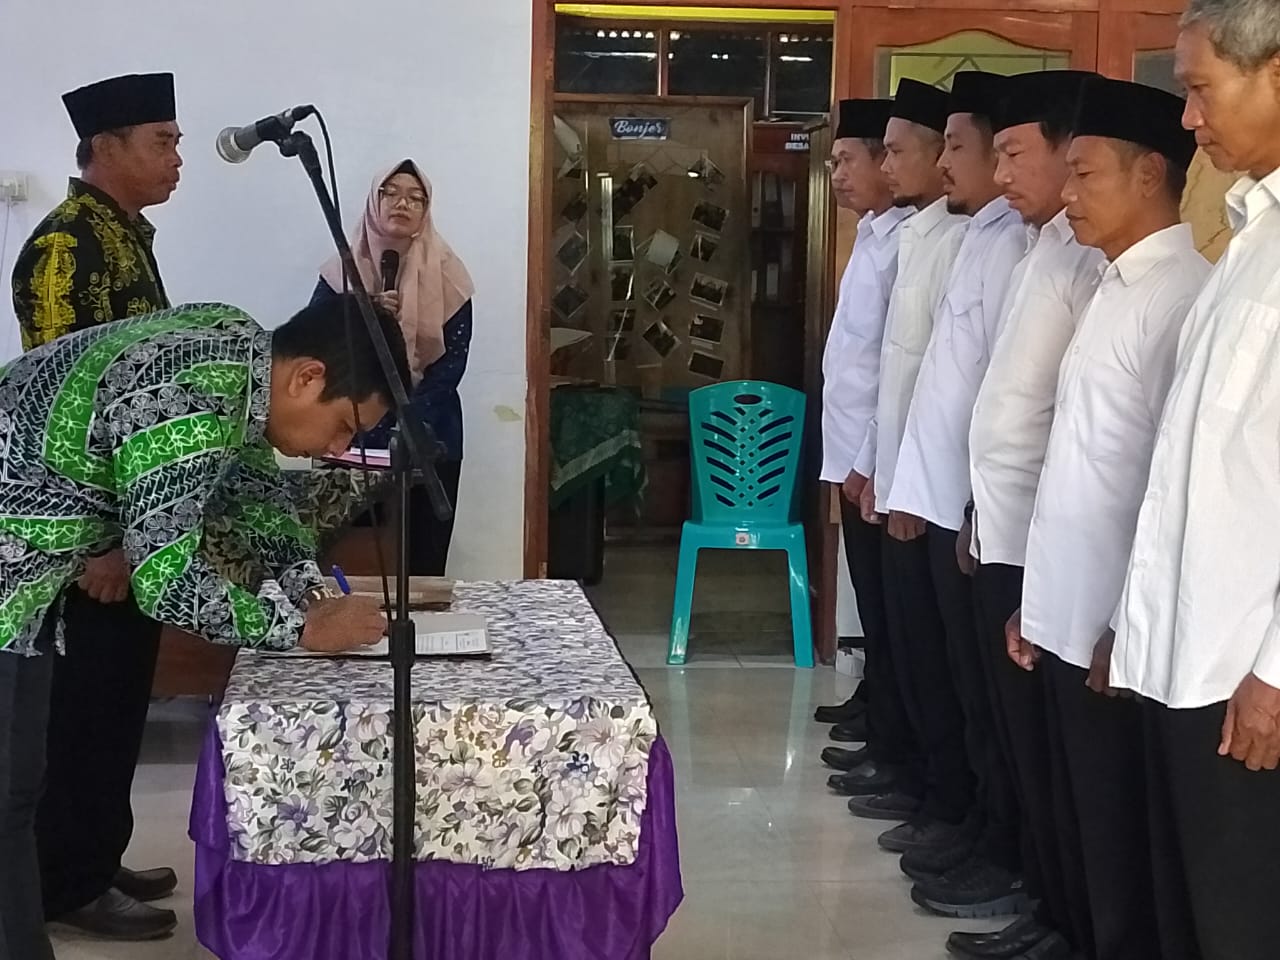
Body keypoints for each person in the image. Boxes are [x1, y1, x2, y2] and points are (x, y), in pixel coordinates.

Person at [0, 295, 402, 960]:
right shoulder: (193, 394)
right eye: (343, 427)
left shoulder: (237, 352)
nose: (339, 450)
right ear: (307, 377)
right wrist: (301, 631)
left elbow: (258, 499)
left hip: (28, 577)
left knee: (18, 789)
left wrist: (311, 596)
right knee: (7, 798)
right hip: (11, 568)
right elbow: (166, 582)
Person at [1018, 76, 1207, 960]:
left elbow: (1167, 487)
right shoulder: (1110, 284)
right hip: (1067, 603)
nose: (1068, 194)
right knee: (1071, 808)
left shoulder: (1177, 297)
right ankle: (1068, 932)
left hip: (1111, 625)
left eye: (1085, 174)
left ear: (1149, 175)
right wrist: (1038, 599)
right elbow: (1079, 454)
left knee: (1115, 822)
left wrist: (1122, 623)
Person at [1108, 3, 1280, 957]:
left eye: (1201, 89)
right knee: (1190, 915)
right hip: (1185, 657)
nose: (1189, 119)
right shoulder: (1250, 234)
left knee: (1240, 920)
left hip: (1244, 672)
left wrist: (1277, 674)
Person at [9, 72, 184, 941]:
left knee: (117, 707)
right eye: (163, 141)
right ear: (106, 147)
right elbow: (65, 411)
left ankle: (94, 852)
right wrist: (98, 546)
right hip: (88, 537)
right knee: (82, 713)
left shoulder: (123, 237)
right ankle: (66, 882)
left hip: (129, 525)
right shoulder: (65, 248)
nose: (178, 157)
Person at [950, 69, 1102, 960]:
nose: (1003, 174)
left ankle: (1041, 895)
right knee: (1004, 725)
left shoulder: (1093, 262)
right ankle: (1025, 880)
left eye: (1016, 154)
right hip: (1001, 524)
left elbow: (1076, 432)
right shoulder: (1036, 246)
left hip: (1049, 544)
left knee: (1046, 750)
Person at [885, 71, 1029, 922]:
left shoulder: (1014, 246)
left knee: (985, 693)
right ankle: (971, 819)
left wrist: (966, 504)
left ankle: (992, 837)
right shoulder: (979, 234)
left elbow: (998, 401)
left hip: (981, 510)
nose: (947, 163)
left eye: (959, 146)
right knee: (961, 680)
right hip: (948, 494)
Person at [846, 79, 969, 845]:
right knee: (904, 638)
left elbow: (943, 385)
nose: (887, 167)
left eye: (897, 152)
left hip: (940, 491)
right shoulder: (911, 234)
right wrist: (874, 464)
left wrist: (903, 482)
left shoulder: (962, 239)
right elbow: (890, 371)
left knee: (937, 657)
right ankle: (911, 770)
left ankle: (942, 796)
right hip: (897, 469)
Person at [815, 99, 921, 792]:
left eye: (848, 160)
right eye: (835, 162)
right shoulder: (872, 235)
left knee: (891, 604)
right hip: (852, 447)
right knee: (872, 594)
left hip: (878, 457)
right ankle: (874, 700)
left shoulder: (910, 241)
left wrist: (869, 460)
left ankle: (890, 722)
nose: (839, 174)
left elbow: (895, 363)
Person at [313, 160, 475, 576]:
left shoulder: (450, 275)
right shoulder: (342, 272)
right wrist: (362, 311)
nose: (403, 204)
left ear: (426, 209)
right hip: (351, 431)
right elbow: (313, 346)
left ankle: (419, 623)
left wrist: (406, 417)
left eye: (415, 198)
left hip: (428, 432)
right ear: (374, 201)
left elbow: (451, 363)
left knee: (421, 562)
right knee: (352, 561)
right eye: (392, 193)